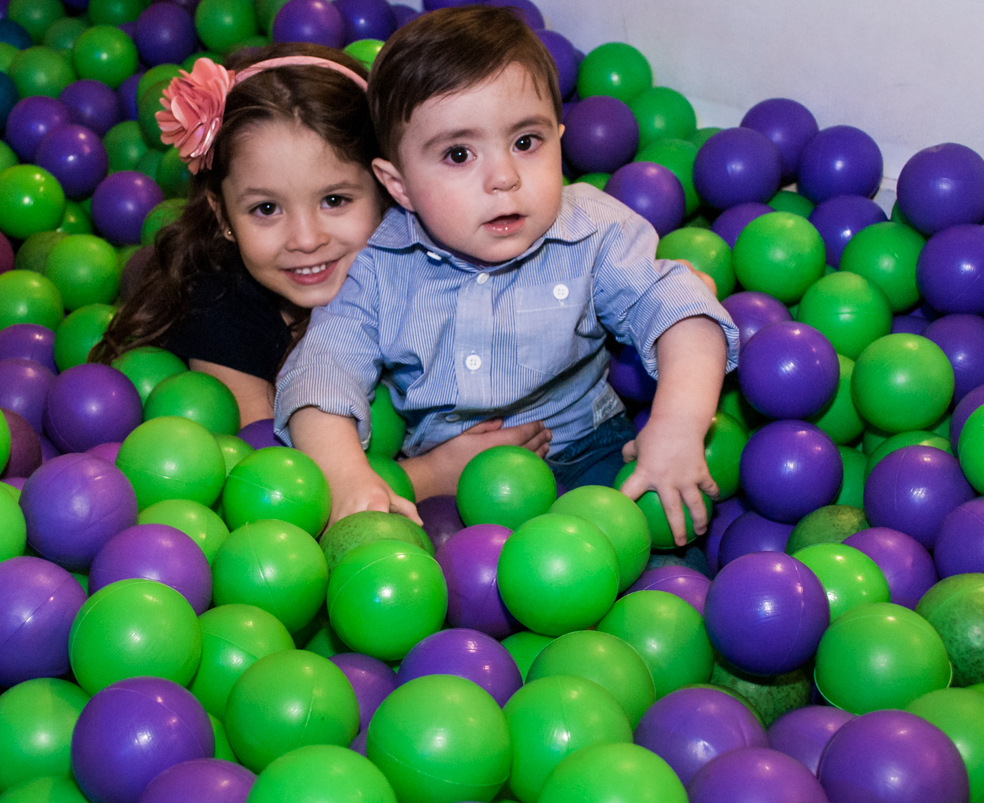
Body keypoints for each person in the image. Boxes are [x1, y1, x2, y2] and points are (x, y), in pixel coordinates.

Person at [274, 7, 740, 544]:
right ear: (398, 186)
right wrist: (348, 477)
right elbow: (321, 373)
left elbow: (682, 309)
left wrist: (677, 429)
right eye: (458, 154)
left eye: (526, 142)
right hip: (448, 486)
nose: (504, 178)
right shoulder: (379, 268)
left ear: (560, 140)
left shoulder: (592, 231)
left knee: (641, 547)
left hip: (588, 454)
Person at [92, 42, 551, 501]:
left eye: (335, 200)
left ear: (391, 190)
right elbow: (270, 478)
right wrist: (431, 474)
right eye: (266, 208)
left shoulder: (428, 255)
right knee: (157, 270)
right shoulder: (218, 305)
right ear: (224, 215)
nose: (306, 238)